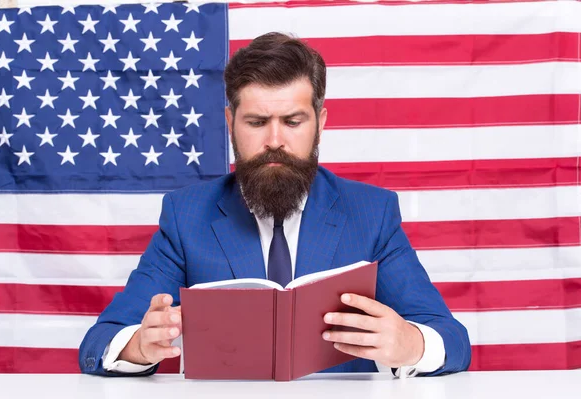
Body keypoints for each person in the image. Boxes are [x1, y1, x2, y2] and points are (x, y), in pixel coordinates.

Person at [79, 32, 471, 377]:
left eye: (293, 121)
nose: (274, 141)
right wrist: (139, 347)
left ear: (321, 121)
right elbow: (99, 342)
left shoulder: (372, 213)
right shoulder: (186, 216)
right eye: (256, 122)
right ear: (230, 121)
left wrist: (411, 343)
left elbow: (453, 340)